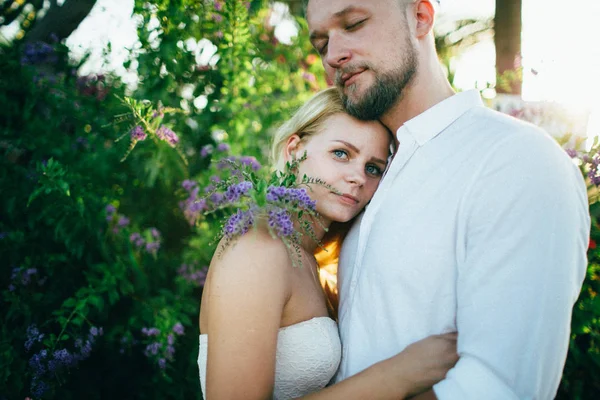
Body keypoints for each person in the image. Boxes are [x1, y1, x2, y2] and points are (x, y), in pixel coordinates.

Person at [306, 0, 591, 399]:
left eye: (353, 23)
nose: (334, 56)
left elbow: (495, 387)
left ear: (421, 17)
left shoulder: (517, 161)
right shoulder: (368, 178)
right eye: (321, 44)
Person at [197, 87, 459, 399]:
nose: (358, 177)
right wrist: (398, 375)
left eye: (373, 168)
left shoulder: (310, 255)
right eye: (341, 153)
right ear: (294, 149)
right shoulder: (257, 245)